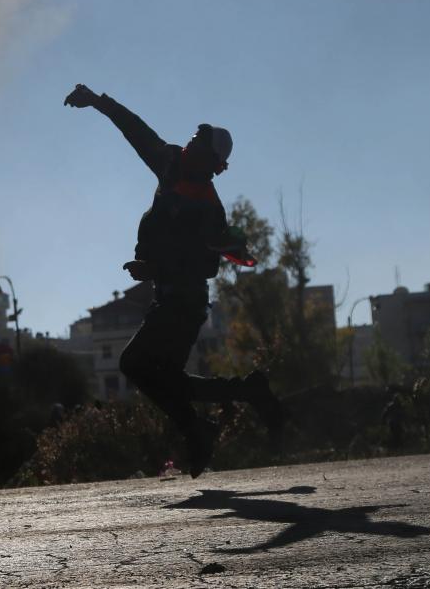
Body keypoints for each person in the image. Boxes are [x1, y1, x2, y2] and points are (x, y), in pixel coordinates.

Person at [64, 84, 283, 477]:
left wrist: (155, 269)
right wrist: (97, 101)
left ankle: (203, 425)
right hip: (167, 299)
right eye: (193, 137)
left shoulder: (209, 208)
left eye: (198, 142)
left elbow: (207, 265)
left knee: (135, 364)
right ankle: (233, 401)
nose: (189, 143)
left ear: (212, 163)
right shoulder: (169, 164)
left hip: (185, 303)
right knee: (166, 379)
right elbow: (136, 129)